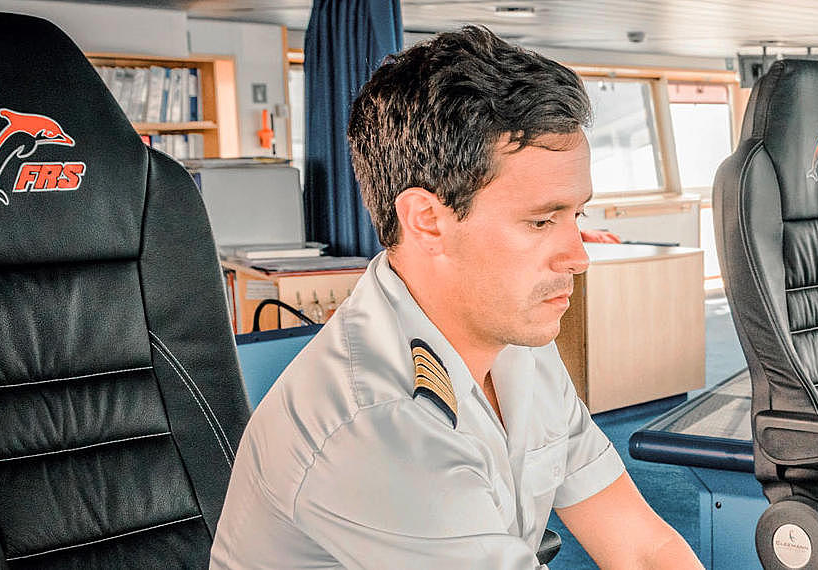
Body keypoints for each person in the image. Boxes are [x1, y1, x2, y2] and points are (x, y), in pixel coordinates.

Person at [210, 27, 700, 569]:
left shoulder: (516, 340)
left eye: (575, 214)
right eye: (540, 221)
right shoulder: (377, 426)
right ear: (428, 221)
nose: (578, 257)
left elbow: (642, 548)